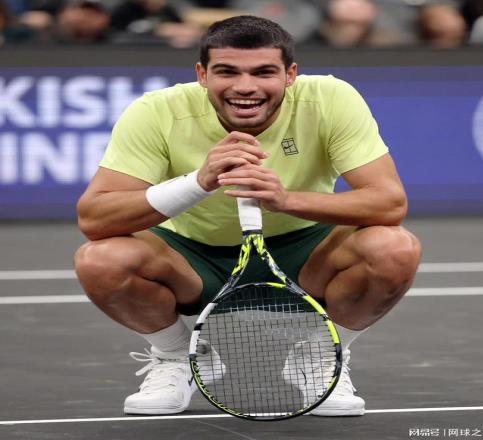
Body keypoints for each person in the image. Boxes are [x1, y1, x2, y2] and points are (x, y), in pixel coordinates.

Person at [74, 15, 422, 417]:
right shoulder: (158, 111)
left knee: (394, 249)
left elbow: (389, 203)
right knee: (100, 261)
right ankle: (177, 356)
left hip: (307, 254)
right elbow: (95, 218)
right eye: (227, 72)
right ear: (202, 75)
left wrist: (285, 200)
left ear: (290, 75)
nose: (245, 87)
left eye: (263, 72)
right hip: (191, 259)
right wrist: (198, 182)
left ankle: (322, 355)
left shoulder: (330, 99)